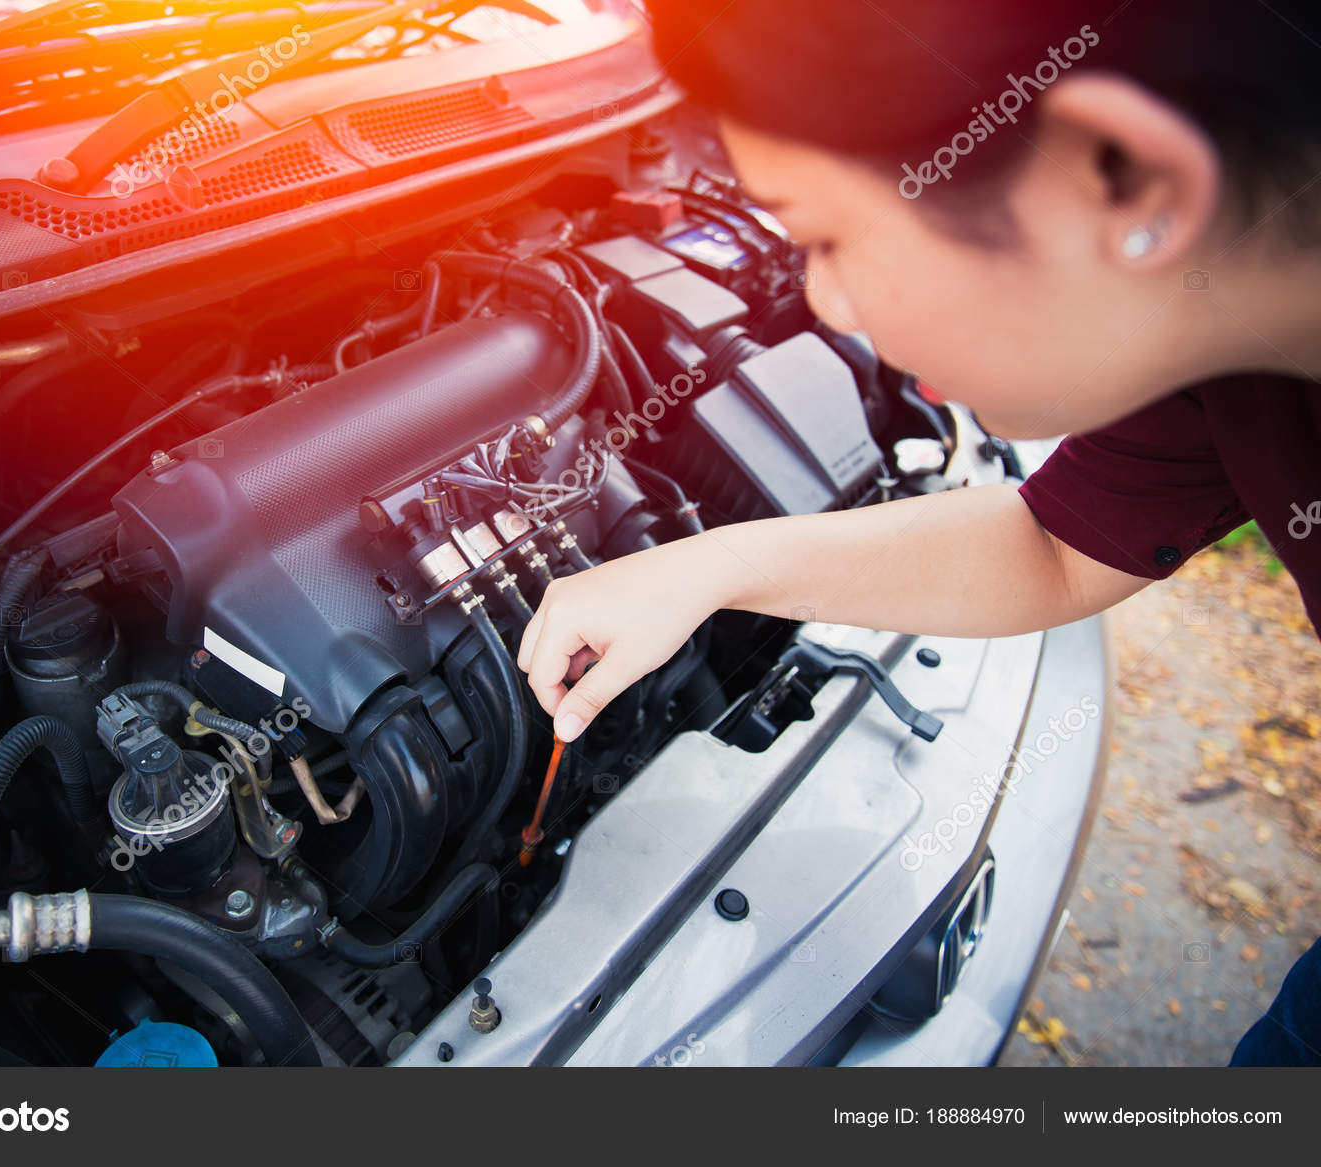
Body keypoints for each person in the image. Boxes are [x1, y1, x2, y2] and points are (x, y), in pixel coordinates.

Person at [515, 0, 1321, 1065]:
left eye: (828, 237)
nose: (827, 304)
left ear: (1124, 176)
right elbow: (1056, 550)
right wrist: (704, 570)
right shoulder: (1226, 350)